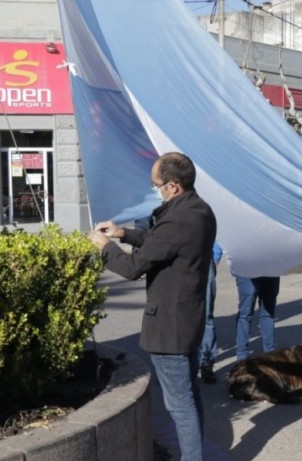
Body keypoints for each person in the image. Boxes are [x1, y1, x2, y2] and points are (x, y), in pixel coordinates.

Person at [89, 152, 216, 461]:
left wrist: (107, 248)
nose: (155, 190)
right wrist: (123, 233)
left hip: (170, 327)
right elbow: (162, 242)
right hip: (188, 320)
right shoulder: (199, 209)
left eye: (156, 185)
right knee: (189, 396)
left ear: (172, 186)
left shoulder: (178, 219)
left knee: (180, 404)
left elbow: (133, 267)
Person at [234, 276, 280, 361]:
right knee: (266, 315)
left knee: (246, 315)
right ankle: (270, 354)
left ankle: (242, 356)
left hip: (250, 273)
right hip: (268, 273)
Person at [199, 241, 223, 384]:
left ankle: (206, 362)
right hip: (174, 260)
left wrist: (216, 254)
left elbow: (219, 230)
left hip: (204, 259)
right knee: (175, 315)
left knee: (206, 315)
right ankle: (174, 365)